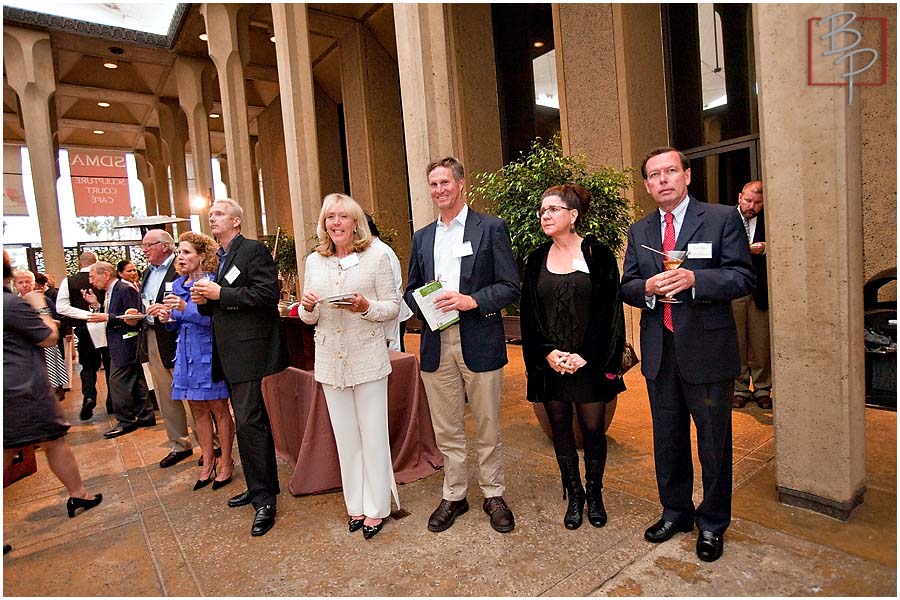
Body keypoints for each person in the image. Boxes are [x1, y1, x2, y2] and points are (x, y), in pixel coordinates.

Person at [621, 147, 755, 562]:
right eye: (654, 175)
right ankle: (675, 511)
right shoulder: (639, 231)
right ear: (646, 185)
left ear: (687, 176)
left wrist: (696, 278)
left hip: (708, 352)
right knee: (667, 439)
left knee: (713, 443)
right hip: (661, 351)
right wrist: (646, 289)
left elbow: (742, 276)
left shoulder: (720, 219)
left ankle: (712, 523)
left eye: (670, 172)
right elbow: (626, 284)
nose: (663, 180)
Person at [405, 157, 520, 534]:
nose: (440, 190)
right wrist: (425, 301)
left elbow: (509, 286)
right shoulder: (422, 237)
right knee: (447, 428)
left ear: (461, 184)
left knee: (487, 425)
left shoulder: (491, 228)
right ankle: (454, 493)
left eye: (445, 183)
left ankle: (493, 492)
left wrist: (470, 301)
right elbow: (410, 289)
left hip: (479, 336)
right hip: (437, 341)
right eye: (434, 184)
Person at [520, 183, 626, 530]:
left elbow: (609, 312)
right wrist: (547, 353)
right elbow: (530, 315)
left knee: (593, 431)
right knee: (561, 430)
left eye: (552, 209)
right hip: (551, 365)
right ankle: (575, 494)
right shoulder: (536, 259)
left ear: (573, 215)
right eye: (542, 211)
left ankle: (595, 494)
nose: (545, 216)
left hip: (589, 365)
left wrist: (586, 356)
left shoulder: (598, 254)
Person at [300, 194, 401, 540]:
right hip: (330, 361)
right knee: (346, 439)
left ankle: (376, 508)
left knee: (373, 435)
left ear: (355, 222)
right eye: (330, 218)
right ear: (324, 224)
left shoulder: (376, 257)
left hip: (368, 358)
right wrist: (307, 305)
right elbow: (308, 315)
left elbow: (393, 306)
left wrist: (365, 306)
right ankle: (354, 505)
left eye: (343, 217)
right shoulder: (314, 261)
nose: (336, 223)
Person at [191, 198, 288, 537]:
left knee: (249, 423)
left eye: (218, 214)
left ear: (236, 221)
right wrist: (206, 303)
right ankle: (258, 487)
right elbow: (223, 302)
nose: (211, 218)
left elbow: (266, 294)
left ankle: (265, 499)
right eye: (211, 214)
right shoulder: (223, 257)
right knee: (246, 423)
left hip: (250, 353)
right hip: (231, 353)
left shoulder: (253, 251)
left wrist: (220, 294)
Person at [3, 251, 102, 519]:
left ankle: (78, 493)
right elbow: (48, 336)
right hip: (22, 387)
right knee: (46, 441)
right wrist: (41, 307)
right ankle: (78, 494)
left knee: (38, 442)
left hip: (14, 385)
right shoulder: (10, 304)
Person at [159, 232, 235, 491]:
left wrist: (184, 308)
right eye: (179, 253)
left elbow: (215, 321)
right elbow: (177, 323)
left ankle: (226, 461)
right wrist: (167, 317)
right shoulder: (177, 285)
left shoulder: (213, 284)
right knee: (198, 410)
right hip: (185, 354)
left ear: (202, 256)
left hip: (208, 353)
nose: (181, 258)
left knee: (218, 409)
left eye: (187, 252)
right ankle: (207, 461)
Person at [140, 229, 208, 469]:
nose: (144, 250)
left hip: (183, 340)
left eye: (149, 245)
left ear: (165, 246)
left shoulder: (183, 272)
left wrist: (175, 311)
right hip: (154, 335)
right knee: (165, 395)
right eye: (143, 246)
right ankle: (179, 444)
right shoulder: (148, 273)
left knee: (194, 397)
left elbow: (202, 313)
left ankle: (209, 445)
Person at [83, 261, 156, 438]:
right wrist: (96, 306)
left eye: (93, 277)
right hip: (118, 341)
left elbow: (136, 315)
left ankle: (126, 420)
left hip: (127, 341)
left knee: (117, 382)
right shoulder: (110, 291)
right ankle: (146, 415)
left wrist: (107, 316)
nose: (92, 281)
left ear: (106, 274)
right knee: (136, 379)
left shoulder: (124, 289)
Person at [731, 181, 772, 410]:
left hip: (760, 290)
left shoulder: (770, 220)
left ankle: (763, 388)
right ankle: (739, 388)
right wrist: (747, 249)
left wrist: (766, 247)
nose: (752, 206)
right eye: (748, 200)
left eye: (757, 203)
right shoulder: (726, 219)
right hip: (734, 289)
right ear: (740, 197)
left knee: (761, 342)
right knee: (736, 341)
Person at [56, 252, 111, 420]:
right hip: (108, 326)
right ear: (96, 262)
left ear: (80, 263)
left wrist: (85, 315)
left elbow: (61, 307)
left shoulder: (69, 281)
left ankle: (89, 396)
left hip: (83, 328)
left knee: (87, 365)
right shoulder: (105, 278)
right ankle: (112, 401)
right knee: (110, 364)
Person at [13, 269, 69, 401]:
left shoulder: (44, 300)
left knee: (51, 376)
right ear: (15, 285)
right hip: (25, 346)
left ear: (33, 284)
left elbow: (59, 321)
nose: (25, 285)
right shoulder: (14, 303)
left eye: (28, 282)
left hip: (46, 341)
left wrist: (46, 320)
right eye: (21, 282)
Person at [365, 213, 414, 351]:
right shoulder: (371, 251)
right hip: (383, 314)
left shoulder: (381, 252)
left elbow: (390, 289)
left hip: (391, 315)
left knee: (395, 359)